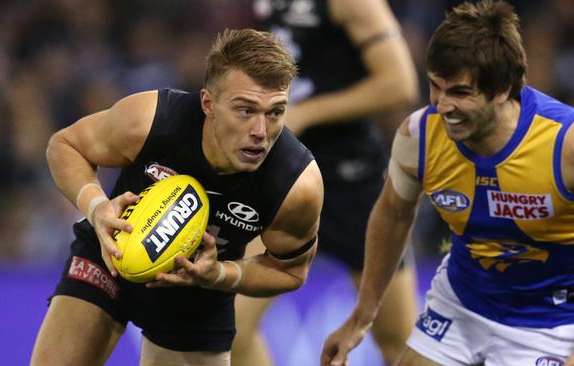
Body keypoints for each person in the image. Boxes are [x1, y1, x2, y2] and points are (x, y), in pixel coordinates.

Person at [30, 28, 324, 366]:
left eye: (275, 112)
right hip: (110, 258)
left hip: (198, 301)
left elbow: (290, 272)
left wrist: (220, 275)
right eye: (245, 110)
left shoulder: (295, 185)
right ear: (207, 103)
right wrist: (96, 207)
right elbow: (65, 146)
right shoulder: (151, 120)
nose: (260, 132)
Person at [321, 1, 574, 365]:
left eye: (459, 92)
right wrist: (362, 316)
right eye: (434, 87)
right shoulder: (418, 135)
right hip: (461, 305)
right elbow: (392, 215)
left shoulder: (564, 144)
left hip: (551, 324)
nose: (441, 105)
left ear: (503, 88)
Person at [232, 0, 419, 364]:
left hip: (350, 182)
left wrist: (305, 114)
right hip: (284, 179)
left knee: (397, 342)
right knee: (232, 330)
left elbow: (400, 83)